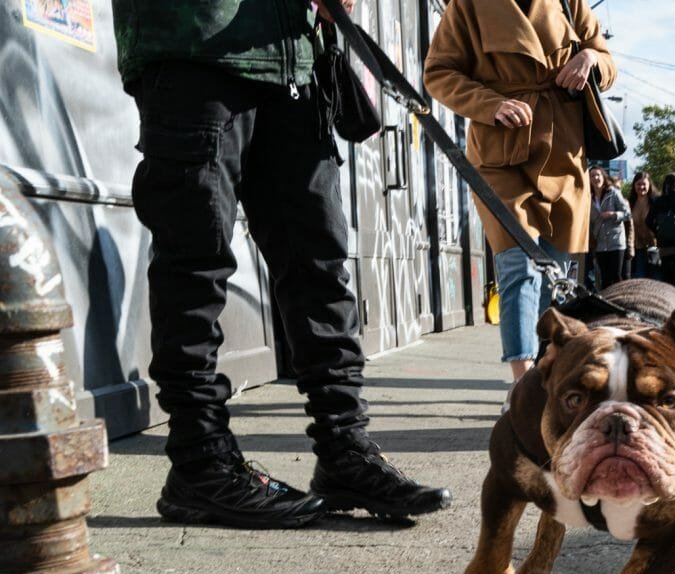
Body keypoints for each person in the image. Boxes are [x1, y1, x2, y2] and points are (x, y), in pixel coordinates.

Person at [111, 0, 451, 528]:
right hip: (197, 47)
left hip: (296, 62)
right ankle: (200, 463)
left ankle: (345, 452)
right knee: (194, 260)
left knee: (319, 265)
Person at [424, 0, 616, 386]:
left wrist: (591, 59)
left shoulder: (568, 2)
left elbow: (608, 64)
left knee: (555, 273)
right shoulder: (468, 6)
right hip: (502, 153)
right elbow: (439, 73)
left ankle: (550, 370)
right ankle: (523, 381)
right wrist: (490, 104)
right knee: (518, 266)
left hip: (564, 151)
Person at [646, 173, 675, 294]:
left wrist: (658, 232)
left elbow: (648, 220)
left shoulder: (658, 201)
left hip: (664, 245)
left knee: (667, 278)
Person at [589, 166, 631, 289]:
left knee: (616, 276)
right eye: (592, 176)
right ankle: (607, 306)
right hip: (600, 243)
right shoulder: (588, 197)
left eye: (598, 175)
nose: (596, 178)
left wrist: (613, 214)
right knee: (604, 278)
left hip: (616, 241)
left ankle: (619, 304)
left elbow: (628, 214)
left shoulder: (613, 193)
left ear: (603, 177)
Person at [629, 171, 661, 280]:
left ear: (649, 185)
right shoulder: (630, 203)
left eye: (644, 184)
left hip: (655, 247)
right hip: (637, 247)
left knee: (655, 277)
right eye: (638, 184)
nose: (641, 187)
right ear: (634, 185)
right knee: (639, 277)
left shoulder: (656, 202)